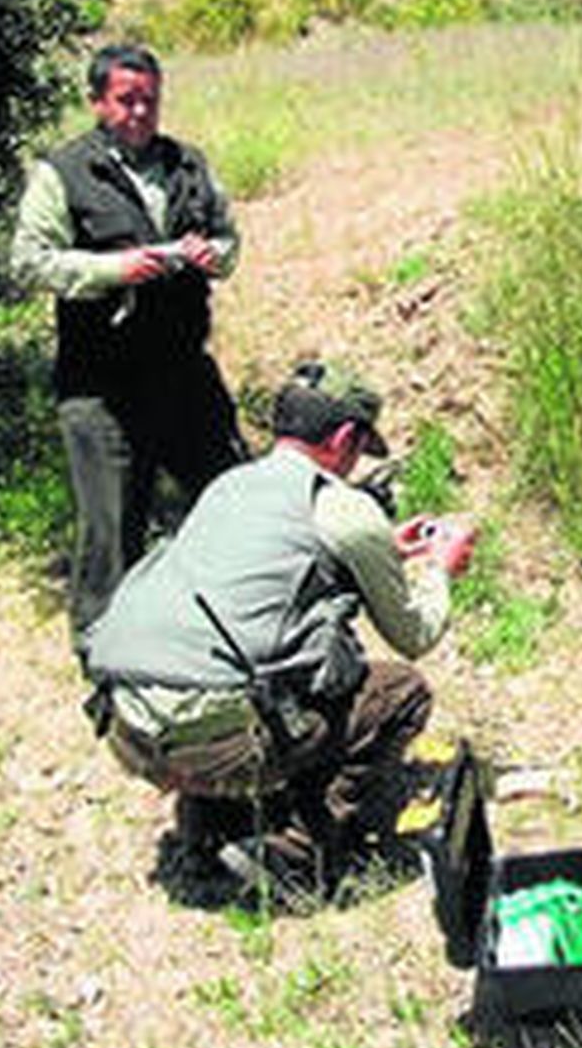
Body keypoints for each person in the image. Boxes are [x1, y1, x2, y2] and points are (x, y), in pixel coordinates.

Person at [82, 361, 477, 905]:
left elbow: (251, 581)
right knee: (399, 694)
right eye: (360, 446)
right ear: (344, 438)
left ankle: (207, 832)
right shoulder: (343, 508)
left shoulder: (232, 484)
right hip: (215, 746)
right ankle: (294, 856)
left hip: (126, 724)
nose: (358, 460)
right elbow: (416, 633)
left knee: (226, 672)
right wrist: (439, 568)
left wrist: (382, 546)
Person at [12, 43, 246, 660]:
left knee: (230, 495)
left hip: (184, 373)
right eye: (127, 99)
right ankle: (103, 654)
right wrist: (113, 269)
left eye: (150, 99)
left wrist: (210, 256)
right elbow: (30, 260)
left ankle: (228, 627)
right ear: (97, 102)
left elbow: (228, 237)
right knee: (111, 527)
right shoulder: (63, 172)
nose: (141, 111)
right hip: (100, 385)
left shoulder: (188, 164)